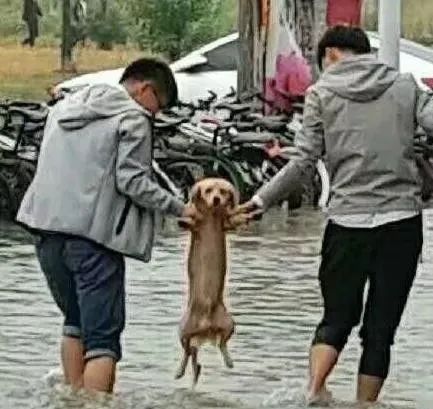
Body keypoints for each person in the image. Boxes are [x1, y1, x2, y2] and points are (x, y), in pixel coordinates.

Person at [238, 26, 433, 405]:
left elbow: (302, 164)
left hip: (347, 223)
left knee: (336, 318)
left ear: (330, 55)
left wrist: (260, 201)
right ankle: (365, 404)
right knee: (381, 329)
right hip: (400, 222)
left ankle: (313, 391)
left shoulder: (321, 94)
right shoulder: (406, 85)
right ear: (366, 52)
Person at [16, 58, 201, 393]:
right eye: (158, 106)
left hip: (45, 234)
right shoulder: (133, 118)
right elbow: (132, 181)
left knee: (74, 323)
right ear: (145, 89)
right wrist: (179, 208)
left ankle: (73, 398)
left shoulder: (66, 107)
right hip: (91, 242)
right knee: (103, 340)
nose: (155, 115)